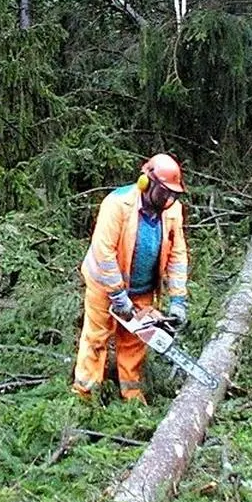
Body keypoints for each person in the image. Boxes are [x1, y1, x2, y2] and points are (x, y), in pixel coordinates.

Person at [73, 153, 189, 403]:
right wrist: (117, 294)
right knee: (96, 338)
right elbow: (104, 252)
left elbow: (177, 255)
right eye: (163, 193)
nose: (168, 200)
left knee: (135, 342)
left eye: (173, 195)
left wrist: (178, 300)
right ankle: (85, 395)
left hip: (143, 289)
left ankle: (132, 395)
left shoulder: (172, 211)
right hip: (104, 285)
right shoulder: (117, 204)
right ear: (146, 183)